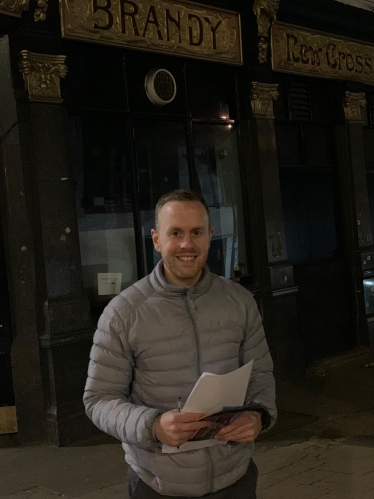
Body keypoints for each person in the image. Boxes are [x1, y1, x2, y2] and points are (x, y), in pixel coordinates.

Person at [83, 189, 277, 498]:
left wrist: (259, 414)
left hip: (235, 478)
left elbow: (260, 374)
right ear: (157, 239)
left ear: (210, 236)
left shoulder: (239, 301)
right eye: (176, 233)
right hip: (158, 485)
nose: (187, 244)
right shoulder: (123, 312)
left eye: (196, 232)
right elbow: (98, 400)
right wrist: (153, 426)